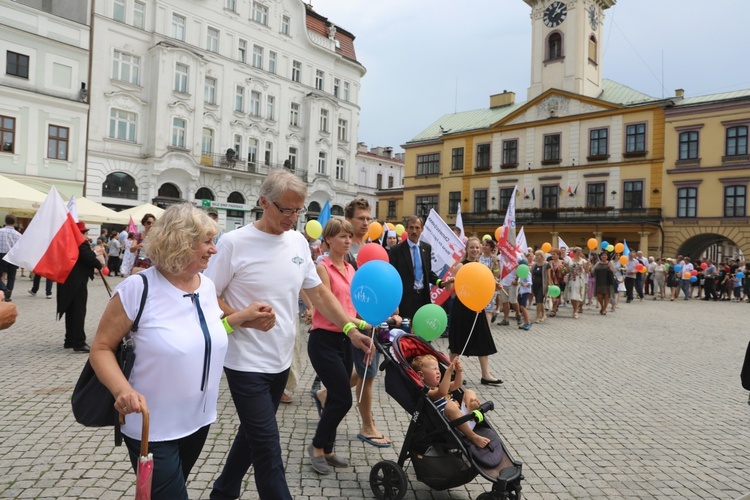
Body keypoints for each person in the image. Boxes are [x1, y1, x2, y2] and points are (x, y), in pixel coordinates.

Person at [204, 170, 373, 500]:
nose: (294, 218)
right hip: (244, 363)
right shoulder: (233, 243)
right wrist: (242, 318)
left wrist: (351, 330)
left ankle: (223, 491)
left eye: (300, 211)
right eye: (287, 210)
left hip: (280, 362)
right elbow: (206, 294)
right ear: (264, 203)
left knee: (251, 435)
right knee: (268, 448)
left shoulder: (297, 242)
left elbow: (321, 294)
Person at [90, 204, 269, 500]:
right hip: (152, 424)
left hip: (198, 421)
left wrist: (244, 319)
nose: (214, 249)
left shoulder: (207, 287)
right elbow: (100, 348)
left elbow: (206, 334)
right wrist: (122, 390)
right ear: (181, 241)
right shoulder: (137, 288)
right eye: (208, 241)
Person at [307, 217, 372, 474]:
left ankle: (329, 449)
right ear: (328, 240)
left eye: (349, 236)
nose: (347, 240)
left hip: (346, 338)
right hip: (323, 339)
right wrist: (360, 325)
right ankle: (316, 446)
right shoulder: (322, 268)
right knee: (343, 398)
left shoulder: (350, 268)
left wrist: (366, 324)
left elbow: (350, 308)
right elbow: (328, 306)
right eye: (341, 236)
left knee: (336, 396)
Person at [344, 198, 394, 448]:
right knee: (368, 374)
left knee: (366, 371)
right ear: (349, 220)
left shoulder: (374, 247)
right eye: (360, 218)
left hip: (374, 318)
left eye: (368, 218)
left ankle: (325, 393)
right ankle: (367, 426)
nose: (365, 223)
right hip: (353, 322)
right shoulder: (345, 248)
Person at [447, 237, 501, 385]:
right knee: (456, 341)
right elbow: (449, 289)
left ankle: (486, 375)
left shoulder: (481, 266)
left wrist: (495, 286)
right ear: (466, 249)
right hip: (461, 307)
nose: (475, 250)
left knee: (483, 339)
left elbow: (485, 286)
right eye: (472, 247)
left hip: (477, 307)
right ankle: (453, 374)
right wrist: (449, 282)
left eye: (477, 247)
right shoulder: (460, 266)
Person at [410, 355, 490, 448]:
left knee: (469, 392)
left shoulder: (440, 386)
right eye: (434, 369)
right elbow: (442, 392)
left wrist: (459, 372)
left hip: (464, 418)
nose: (438, 372)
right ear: (421, 375)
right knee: (450, 405)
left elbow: (457, 384)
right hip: (455, 426)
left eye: (438, 369)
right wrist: (448, 372)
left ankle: (470, 413)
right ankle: (472, 436)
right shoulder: (428, 392)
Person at [389, 215, 451, 321]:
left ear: (422, 229)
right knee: (406, 331)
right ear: (406, 229)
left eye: (417, 228)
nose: (414, 231)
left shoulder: (426, 248)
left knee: (422, 330)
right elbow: (392, 277)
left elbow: (428, 272)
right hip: (405, 299)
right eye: (411, 227)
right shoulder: (396, 250)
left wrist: (440, 283)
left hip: (423, 297)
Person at [57, 222, 102, 352]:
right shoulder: (80, 243)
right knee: (78, 311)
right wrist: (98, 264)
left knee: (71, 311)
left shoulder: (68, 242)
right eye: (84, 232)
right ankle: (78, 342)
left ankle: (70, 339)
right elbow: (87, 257)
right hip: (76, 282)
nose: (85, 234)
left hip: (67, 281)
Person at [0, 214, 22, 302]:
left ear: (5, 221)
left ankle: (4, 289)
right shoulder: (19, 235)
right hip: (12, 256)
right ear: (15, 223)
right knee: (11, 276)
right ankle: (8, 295)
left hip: (1, 255)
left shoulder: (0, 231)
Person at [531, 249, 548, 323]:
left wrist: (550, 284)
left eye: (538, 255)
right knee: (539, 301)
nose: (537, 256)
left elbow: (549, 275)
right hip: (535, 285)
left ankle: (538, 317)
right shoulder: (534, 265)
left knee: (539, 300)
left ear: (542, 256)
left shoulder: (546, 264)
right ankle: (544, 314)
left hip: (543, 285)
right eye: (536, 255)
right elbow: (531, 274)